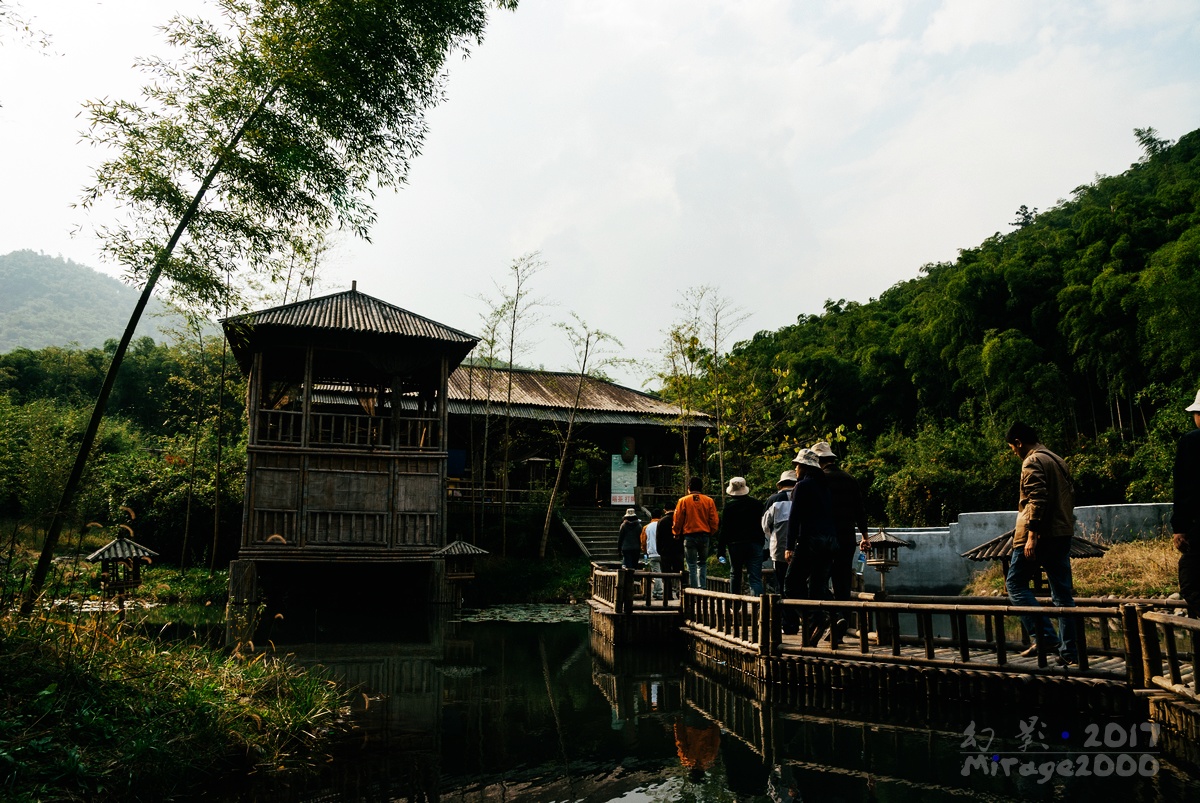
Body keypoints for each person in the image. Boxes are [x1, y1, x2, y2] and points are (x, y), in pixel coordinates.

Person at [1004, 421, 1078, 665]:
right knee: (1063, 595)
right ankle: (1068, 653)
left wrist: (1031, 536)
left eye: (1012, 448)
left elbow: (1037, 499)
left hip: (1039, 534)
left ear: (1018, 442)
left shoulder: (1032, 461)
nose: (1014, 453)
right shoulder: (1057, 459)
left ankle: (1044, 636)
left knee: (1015, 584)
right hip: (1061, 532)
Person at [813, 441, 869, 641]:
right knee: (842, 581)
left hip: (825, 538)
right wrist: (864, 536)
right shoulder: (849, 479)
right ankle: (841, 623)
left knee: (818, 580)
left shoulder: (818, 480)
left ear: (818, 461)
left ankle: (832, 617)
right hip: (846, 538)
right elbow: (860, 510)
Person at [783, 449, 838, 644]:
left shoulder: (802, 486)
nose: (795, 468)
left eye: (797, 465)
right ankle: (824, 621)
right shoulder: (825, 487)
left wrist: (789, 546)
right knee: (817, 586)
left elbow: (794, 517)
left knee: (791, 584)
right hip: (830, 541)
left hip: (810, 540)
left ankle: (815, 618)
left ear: (805, 467)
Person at [1172, 388, 1200, 617]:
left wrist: (1179, 528)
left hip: (1198, 526)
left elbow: (1184, 487)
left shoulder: (1192, 442)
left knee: (1191, 582)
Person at [715, 477, 765, 595]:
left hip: (735, 545)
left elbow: (724, 530)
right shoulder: (757, 504)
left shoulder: (729, 507)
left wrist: (721, 550)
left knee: (735, 574)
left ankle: (735, 605)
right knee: (755, 577)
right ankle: (758, 606)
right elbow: (763, 525)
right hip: (754, 543)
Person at [673, 476, 720, 589]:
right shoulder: (709, 501)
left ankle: (694, 590)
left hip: (689, 536)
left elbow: (678, 519)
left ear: (689, 487)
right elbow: (714, 520)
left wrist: (676, 532)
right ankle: (703, 588)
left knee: (691, 565)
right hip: (704, 535)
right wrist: (711, 532)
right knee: (702, 563)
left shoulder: (683, 501)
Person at [761, 470, 797, 593]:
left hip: (779, 547)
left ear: (781, 484)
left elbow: (765, 525)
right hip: (801, 547)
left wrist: (772, 533)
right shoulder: (803, 496)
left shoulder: (773, 499)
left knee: (780, 580)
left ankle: (782, 609)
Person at [641, 509, 664, 599]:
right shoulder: (663, 524)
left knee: (656, 573)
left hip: (653, 553)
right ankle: (666, 592)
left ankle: (658, 592)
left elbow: (643, 541)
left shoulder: (647, 527)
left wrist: (645, 550)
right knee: (666, 573)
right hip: (664, 553)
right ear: (660, 516)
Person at [658, 503, 683, 576]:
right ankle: (679, 587)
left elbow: (659, 537)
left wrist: (660, 550)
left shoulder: (662, 521)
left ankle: (667, 587)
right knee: (679, 572)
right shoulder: (680, 519)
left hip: (665, 550)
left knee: (666, 574)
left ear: (664, 510)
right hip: (678, 549)